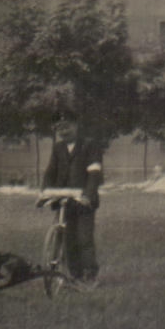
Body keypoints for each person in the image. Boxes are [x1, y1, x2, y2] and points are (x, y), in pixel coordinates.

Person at [41, 119, 103, 283]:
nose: (63, 132)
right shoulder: (58, 148)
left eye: (67, 127)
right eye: (59, 128)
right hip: (65, 199)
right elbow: (50, 171)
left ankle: (89, 274)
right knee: (68, 239)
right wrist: (46, 190)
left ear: (76, 126)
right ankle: (75, 274)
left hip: (83, 200)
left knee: (84, 238)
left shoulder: (89, 145)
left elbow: (94, 173)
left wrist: (88, 195)